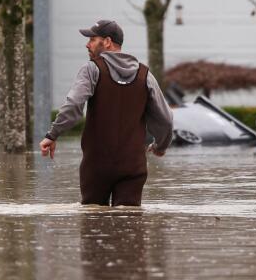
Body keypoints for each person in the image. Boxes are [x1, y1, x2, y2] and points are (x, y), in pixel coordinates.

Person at [39, 19, 174, 206]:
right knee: (129, 227)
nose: (87, 44)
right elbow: (166, 120)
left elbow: (73, 106)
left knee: (93, 223)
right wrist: (160, 147)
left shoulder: (91, 69)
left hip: (96, 166)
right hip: (133, 167)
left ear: (107, 41)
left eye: (92, 39)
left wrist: (52, 135)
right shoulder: (145, 75)